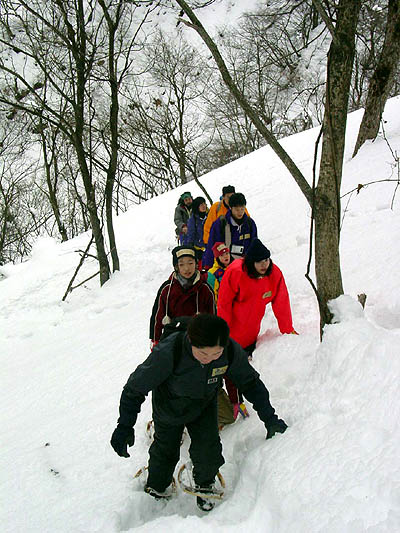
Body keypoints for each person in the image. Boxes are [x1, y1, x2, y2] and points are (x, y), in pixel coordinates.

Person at [110, 313, 288, 511]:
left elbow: (250, 383)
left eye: (216, 354)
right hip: (169, 406)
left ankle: (205, 485)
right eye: (203, 354)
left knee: (208, 448)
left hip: (203, 405)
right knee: (165, 451)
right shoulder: (170, 351)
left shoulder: (228, 350)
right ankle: (156, 487)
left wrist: (271, 419)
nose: (210, 359)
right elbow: (134, 388)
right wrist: (124, 426)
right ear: (190, 341)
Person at [149, 245, 215, 346]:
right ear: (176, 267)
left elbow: (212, 317)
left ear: (196, 264)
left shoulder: (205, 289)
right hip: (172, 340)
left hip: (198, 341)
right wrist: (155, 339)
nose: (187, 268)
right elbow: (157, 316)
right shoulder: (167, 289)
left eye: (190, 263)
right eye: (181, 264)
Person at [202, 192, 257, 269]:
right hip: (225, 266)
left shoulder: (249, 223)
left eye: (242, 209)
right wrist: (208, 266)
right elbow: (212, 245)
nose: (240, 212)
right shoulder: (220, 224)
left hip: (245, 265)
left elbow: (254, 244)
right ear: (230, 208)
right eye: (237, 209)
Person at [184, 196, 208, 265]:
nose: (203, 206)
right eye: (201, 205)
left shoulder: (209, 216)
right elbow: (191, 234)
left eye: (204, 204)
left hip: (209, 246)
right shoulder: (193, 220)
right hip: (198, 248)